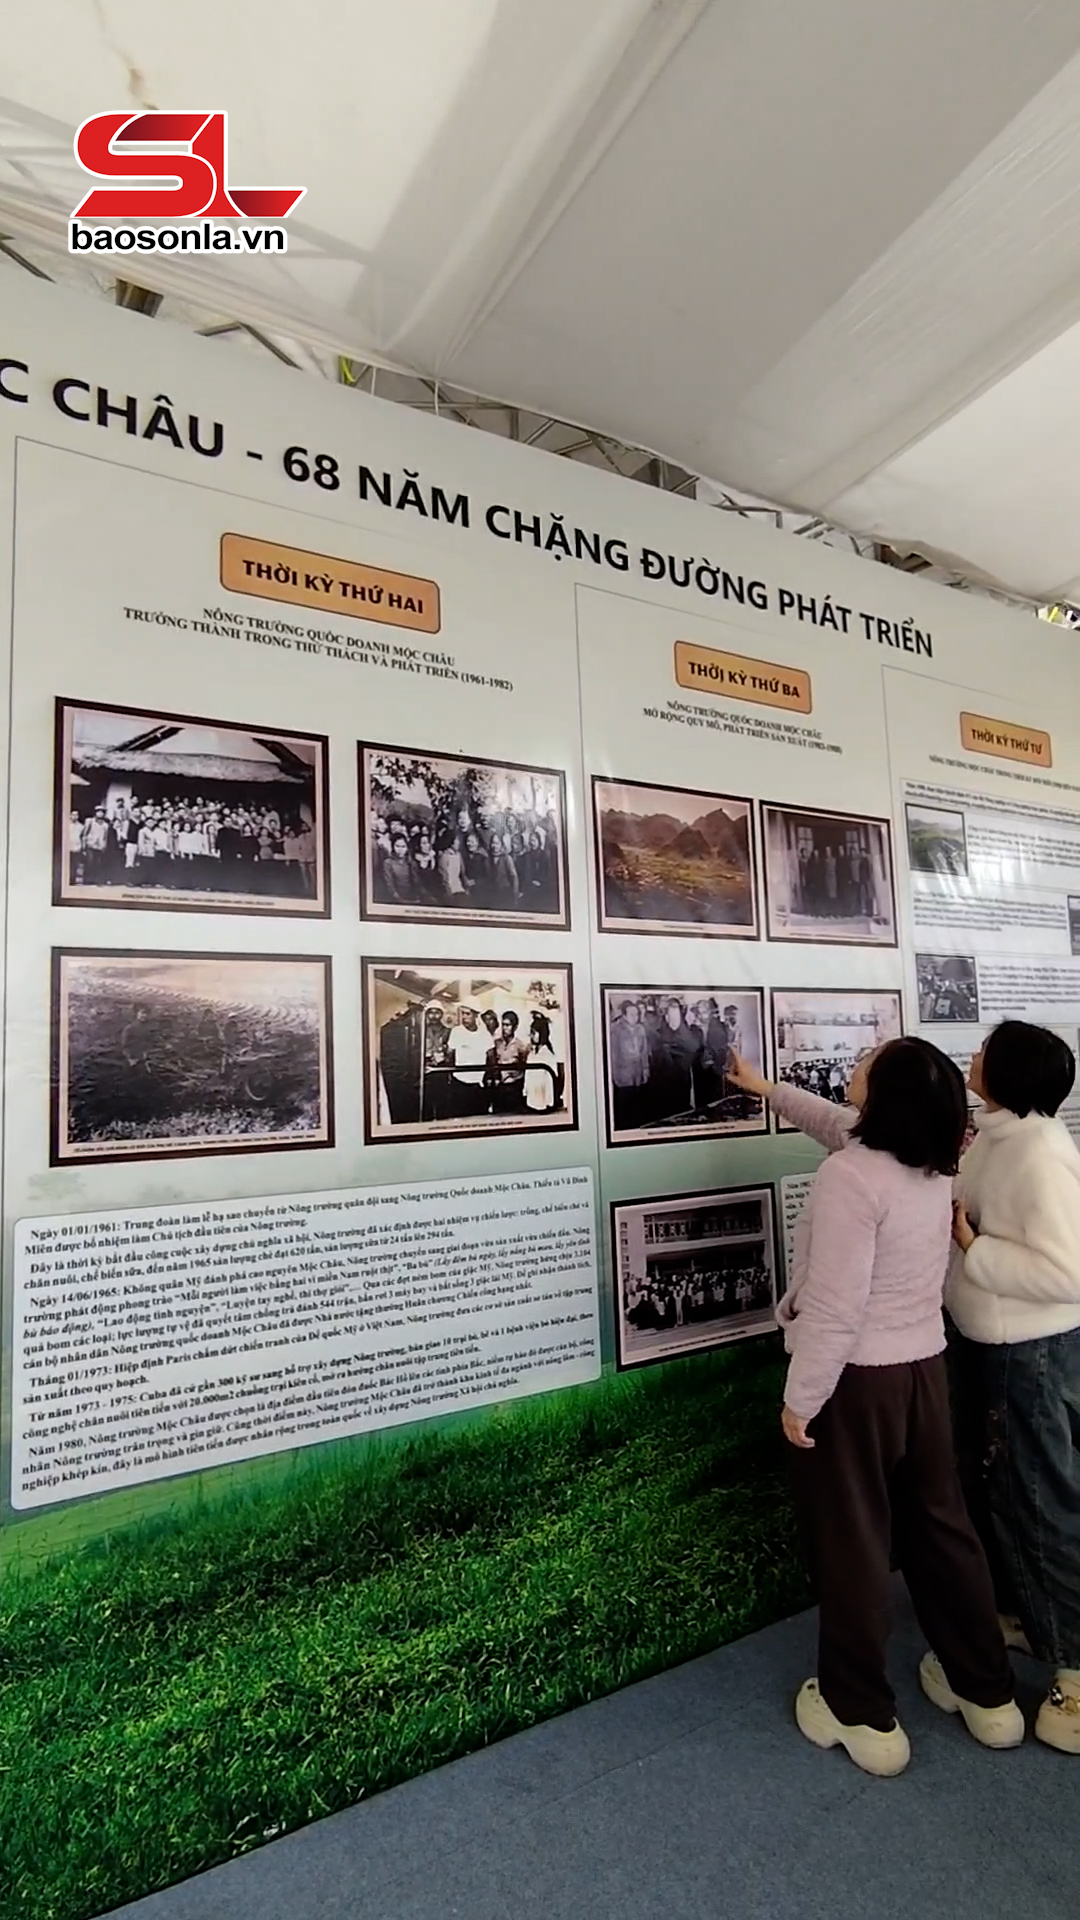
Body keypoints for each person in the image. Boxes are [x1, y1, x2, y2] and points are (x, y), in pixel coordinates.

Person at [728, 1039, 1022, 1777]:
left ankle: (859, 1711)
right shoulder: (929, 1160)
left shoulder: (850, 1178)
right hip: (923, 1371)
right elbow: (837, 1122)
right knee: (942, 1529)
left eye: (870, 1061)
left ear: (885, 1095)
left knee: (852, 1541)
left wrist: (801, 1400)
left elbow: (834, 1308)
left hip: (857, 1383)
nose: (857, 1062)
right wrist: (766, 1089)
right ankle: (987, 1693)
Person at [949, 1020, 1080, 1755]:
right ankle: (1026, 1617)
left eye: (985, 1050)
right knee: (1000, 1495)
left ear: (1008, 1073)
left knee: (1039, 1502)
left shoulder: (1039, 1153)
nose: (973, 1056)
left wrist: (977, 1249)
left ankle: (1077, 1676)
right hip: (992, 1347)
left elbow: (1069, 1273)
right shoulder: (1000, 1135)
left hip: (1028, 1353)